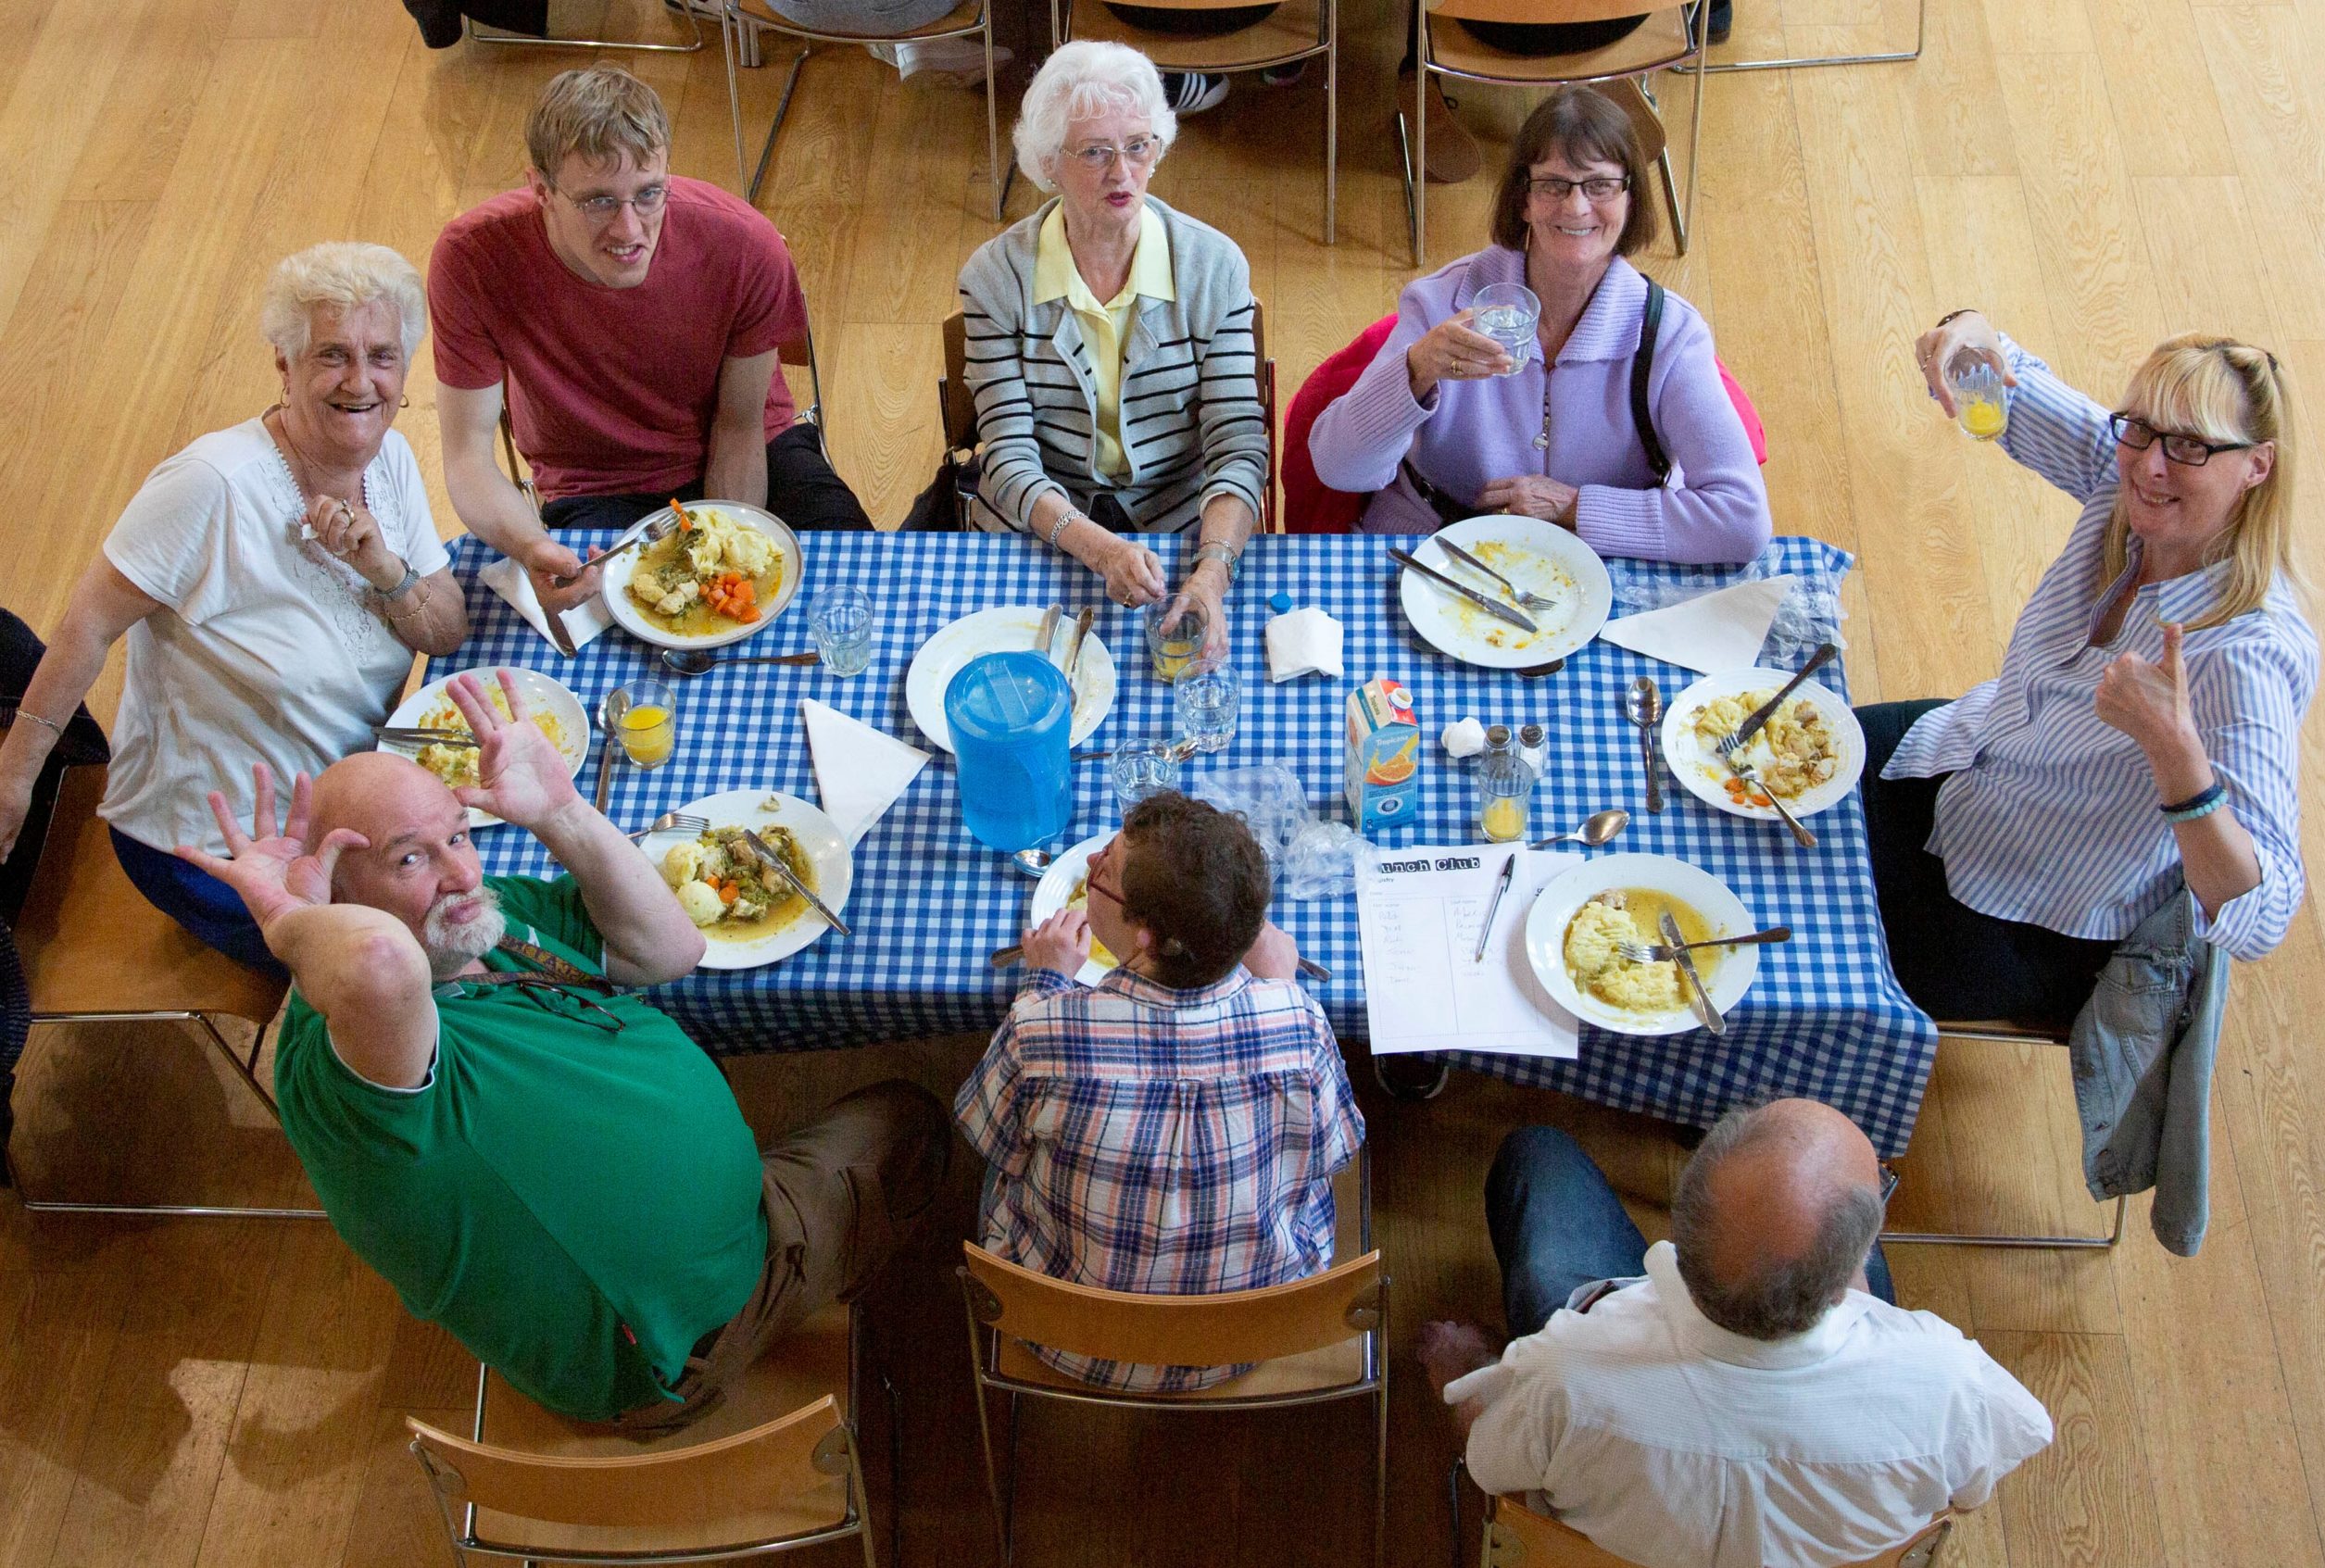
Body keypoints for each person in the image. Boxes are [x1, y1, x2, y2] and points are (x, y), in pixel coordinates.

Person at [177, 671, 948, 1431]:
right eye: (410, 858)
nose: (460, 873)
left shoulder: (478, 925)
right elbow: (382, 970)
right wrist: (287, 927)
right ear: (337, 901)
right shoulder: (345, 1071)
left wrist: (563, 811)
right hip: (686, 1343)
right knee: (909, 1121)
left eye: (457, 833)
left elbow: (669, 949)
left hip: (706, 1246)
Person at [0, 243, 465, 973]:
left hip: (351, 810)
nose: (360, 381)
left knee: (484, 887)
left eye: (383, 356)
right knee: (423, 964)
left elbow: (446, 628)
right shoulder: (211, 485)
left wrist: (384, 568)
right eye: (331, 354)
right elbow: (86, 626)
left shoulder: (391, 459)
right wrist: (13, 778)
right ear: (283, 363)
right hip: (223, 844)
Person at [1864, 317, 2317, 1024]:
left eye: (2190, 445)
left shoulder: (2247, 653)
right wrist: (1959, 338)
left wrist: (2176, 751)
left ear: (2257, 466)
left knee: (1790, 914)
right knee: (1753, 763)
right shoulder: (2129, 476)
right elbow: (2001, 378)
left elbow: (2265, 913)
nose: (2150, 465)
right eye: (2140, 427)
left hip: (2020, 916)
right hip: (1966, 755)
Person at [1422, 1103, 2053, 1568]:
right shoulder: (1946, 1380)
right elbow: (1971, 1490)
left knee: (1538, 1151)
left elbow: (1489, 1456)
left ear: (1684, 1220)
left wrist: (1470, 1366)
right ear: (1839, 1288)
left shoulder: (1566, 1373)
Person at [955, 791, 1363, 1392]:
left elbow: (985, 1134)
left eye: (1105, 869)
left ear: (1144, 937)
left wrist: (1042, 981)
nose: (1091, 859)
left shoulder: (1039, 1027)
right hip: (1255, 1331)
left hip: (1067, 1332)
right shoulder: (1301, 1026)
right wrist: (1282, 985)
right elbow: (1337, 1151)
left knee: (1008, 1155)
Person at [430, 65, 868, 617]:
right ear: (541, 189)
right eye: (598, 202)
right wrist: (532, 547)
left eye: (648, 194)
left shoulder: (743, 244)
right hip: (594, 483)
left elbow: (738, 425)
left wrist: (715, 556)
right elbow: (468, 457)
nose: (629, 230)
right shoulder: (472, 259)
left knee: (861, 577)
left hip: (752, 448)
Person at [1310, 86, 1769, 563]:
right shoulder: (1440, 302)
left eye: (1600, 185)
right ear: (1523, 199)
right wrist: (1416, 369)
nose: (1575, 207)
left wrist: (1575, 507)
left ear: (1630, 199)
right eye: (1553, 184)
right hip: (1430, 547)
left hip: (1598, 562)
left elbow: (1742, 520)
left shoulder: (1670, 334)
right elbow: (1337, 466)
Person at [958, 41, 1266, 659]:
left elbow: (1238, 444)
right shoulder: (995, 277)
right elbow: (1010, 459)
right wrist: (1101, 549)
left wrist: (1211, 573)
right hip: (1043, 526)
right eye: (1095, 152)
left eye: (1138, 145)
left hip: (1182, 527)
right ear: (1048, 163)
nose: (1122, 173)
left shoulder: (1214, 267)